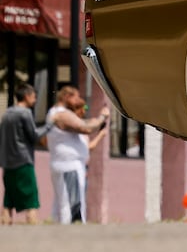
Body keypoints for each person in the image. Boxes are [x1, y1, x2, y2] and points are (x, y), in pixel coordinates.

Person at [44, 83, 110, 224]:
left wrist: (95, 121)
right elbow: (85, 128)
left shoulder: (60, 114)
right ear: (67, 96)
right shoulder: (60, 113)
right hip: (69, 166)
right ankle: (70, 237)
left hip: (68, 165)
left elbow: (82, 124)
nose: (80, 100)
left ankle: (59, 235)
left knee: (63, 204)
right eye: (76, 97)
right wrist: (102, 118)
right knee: (72, 205)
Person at [2, 85, 48, 224]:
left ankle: (5, 222)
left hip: (7, 162)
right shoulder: (25, 113)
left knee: (9, 197)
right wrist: (50, 126)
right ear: (27, 96)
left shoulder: (7, 113)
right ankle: (32, 224)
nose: (35, 100)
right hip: (23, 161)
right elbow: (34, 136)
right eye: (34, 96)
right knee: (31, 197)